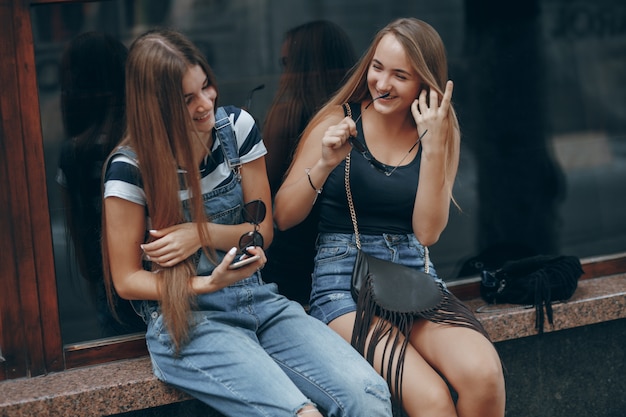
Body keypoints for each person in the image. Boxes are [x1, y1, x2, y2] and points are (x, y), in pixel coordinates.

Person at [101, 29, 392, 417]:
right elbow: (125, 280)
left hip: (259, 301)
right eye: (188, 99)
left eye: (206, 86)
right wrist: (207, 282)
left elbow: (263, 231)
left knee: (368, 395)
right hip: (187, 322)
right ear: (156, 107)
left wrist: (198, 235)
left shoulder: (236, 130)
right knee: (299, 414)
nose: (206, 103)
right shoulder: (129, 169)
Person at [274, 18, 506, 417]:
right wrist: (325, 164)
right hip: (343, 285)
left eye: (400, 75)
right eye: (377, 67)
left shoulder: (439, 129)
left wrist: (433, 149)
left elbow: (427, 232)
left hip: (413, 278)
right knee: (431, 399)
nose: (382, 83)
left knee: (483, 376)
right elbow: (282, 217)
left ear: (424, 83)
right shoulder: (337, 119)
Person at [56, 31, 145, 337]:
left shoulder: (73, 154)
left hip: (110, 295)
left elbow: (83, 258)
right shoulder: (151, 141)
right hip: (167, 285)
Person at [263, 20, 357, 305]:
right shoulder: (360, 118)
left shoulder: (287, 113)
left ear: (304, 67)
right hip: (345, 263)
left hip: (295, 257)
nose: (283, 77)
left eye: (287, 64)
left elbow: (260, 191)